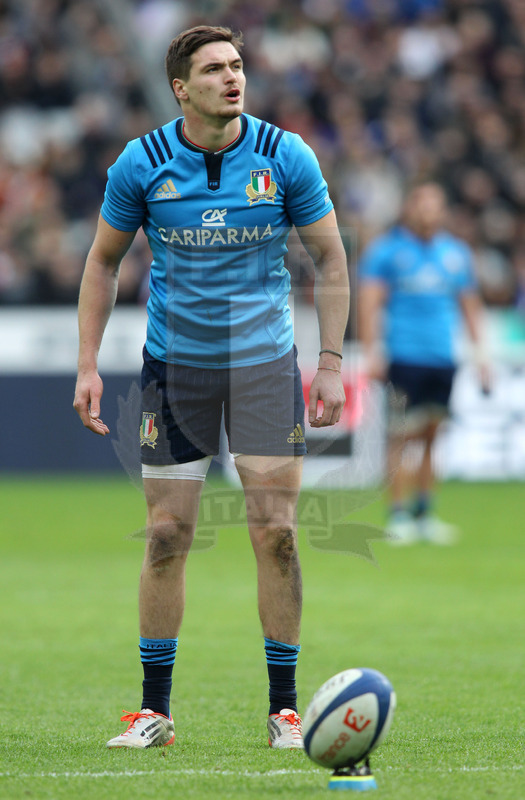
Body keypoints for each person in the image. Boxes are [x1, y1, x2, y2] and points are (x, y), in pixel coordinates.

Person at [73, 26, 349, 750]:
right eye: (214, 70)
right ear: (180, 88)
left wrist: (328, 362)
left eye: (237, 66)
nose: (233, 79)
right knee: (166, 535)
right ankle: (153, 713)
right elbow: (102, 263)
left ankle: (284, 712)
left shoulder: (285, 155)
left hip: (263, 369)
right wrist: (87, 364)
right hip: (175, 369)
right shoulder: (142, 163)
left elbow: (330, 261)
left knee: (279, 535)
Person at [358, 182, 489, 545]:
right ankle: (397, 515)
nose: (430, 213)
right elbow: (370, 303)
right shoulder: (387, 251)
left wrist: (482, 357)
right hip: (403, 357)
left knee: (433, 435)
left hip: (443, 357)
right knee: (400, 437)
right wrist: (373, 351)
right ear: (410, 209)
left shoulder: (456, 253)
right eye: (424, 206)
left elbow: (469, 305)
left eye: (437, 206)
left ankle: (425, 513)